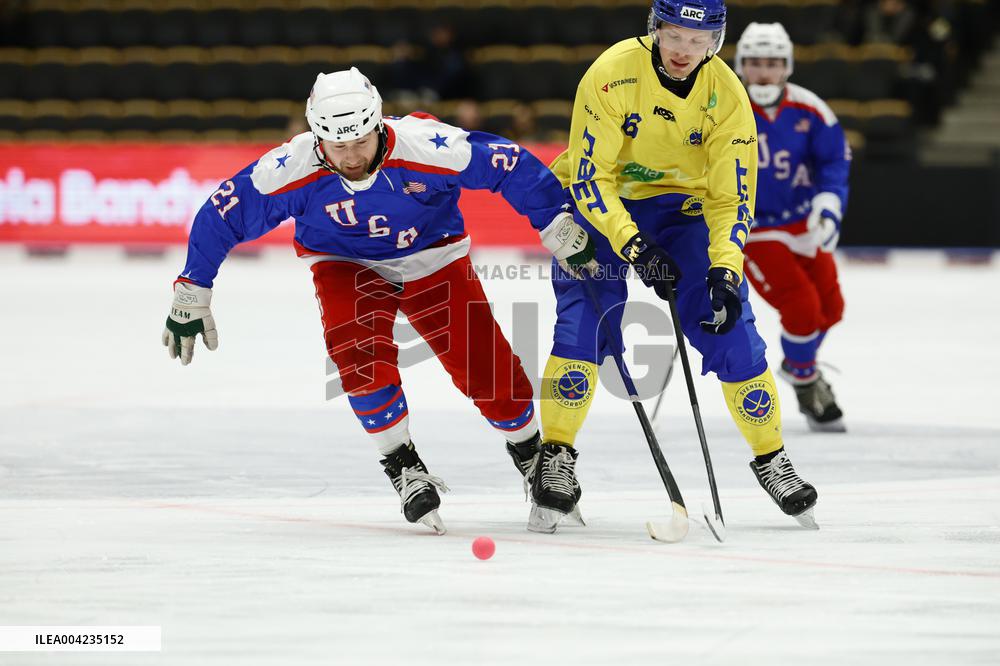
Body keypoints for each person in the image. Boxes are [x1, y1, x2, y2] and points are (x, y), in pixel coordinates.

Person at [161, 67, 597, 535]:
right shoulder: (291, 166)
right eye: (337, 146)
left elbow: (509, 164)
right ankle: (401, 461)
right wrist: (192, 289)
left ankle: (532, 455)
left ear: (378, 125)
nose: (350, 157)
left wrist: (556, 221)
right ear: (316, 137)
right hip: (344, 263)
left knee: (482, 361)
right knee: (356, 351)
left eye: (360, 143)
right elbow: (222, 214)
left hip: (432, 255)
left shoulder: (429, 145)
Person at [534, 0, 819, 532]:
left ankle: (771, 456)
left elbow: (731, 196)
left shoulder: (728, 95)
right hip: (601, 205)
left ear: (717, 38)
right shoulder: (611, 73)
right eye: (675, 34)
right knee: (583, 325)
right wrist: (636, 249)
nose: (686, 49)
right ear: (655, 30)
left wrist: (725, 269)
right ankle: (556, 453)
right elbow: (591, 179)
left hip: (683, 210)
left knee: (728, 324)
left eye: (700, 37)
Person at [735, 23, 851, 433]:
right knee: (801, 307)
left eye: (772, 63)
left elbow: (834, 160)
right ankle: (805, 381)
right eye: (754, 63)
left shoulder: (811, 108)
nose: (763, 73)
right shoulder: (725, 106)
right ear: (740, 65)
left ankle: (798, 365)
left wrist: (829, 203)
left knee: (831, 308)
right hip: (752, 227)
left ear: (787, 66)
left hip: (802, 220)